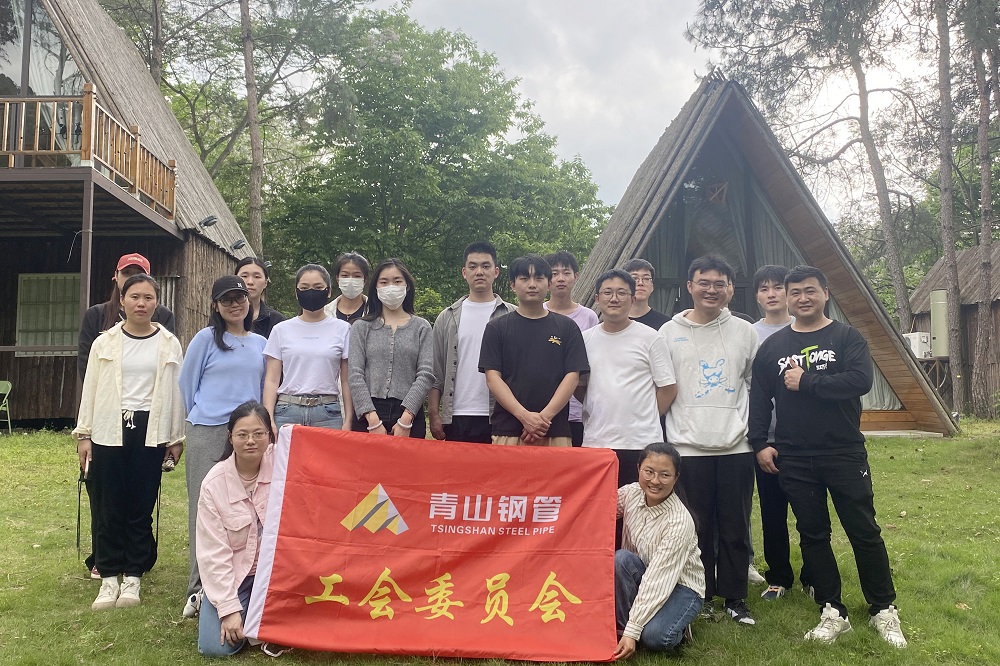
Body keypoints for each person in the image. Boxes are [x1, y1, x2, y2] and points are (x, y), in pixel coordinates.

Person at [749, 265, 906, 648]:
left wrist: (808, 381)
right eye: (795, 292)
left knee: (863, 530)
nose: (802, 298)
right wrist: (759, 442)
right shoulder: (772, 347)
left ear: (825, 293)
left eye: (810, 290)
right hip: (795, 455)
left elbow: (859, 381)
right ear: (788, 298)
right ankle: (833, 610)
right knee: (813, 534)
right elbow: (759, 398)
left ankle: (883, 608)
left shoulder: (846, 337)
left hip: (843, 451)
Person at [73, 274, 185, 611]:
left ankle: (133, 576)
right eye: (134, 296)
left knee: (140, 506)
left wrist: (176, 438)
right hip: (109, 428)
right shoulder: (104, 342)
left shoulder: (169, 343)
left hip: (151, 431)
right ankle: (108, 578)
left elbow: (176, 393)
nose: (141, 303)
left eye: (148, 297)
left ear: (157, 303)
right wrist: (84, 435)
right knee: (108, 506)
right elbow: (91, 388)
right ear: (122, 300)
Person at [659, 254, 758, 625]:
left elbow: (755, 383)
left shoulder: (745, 332)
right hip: (686, 445)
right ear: (690, 286)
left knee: (735, 526)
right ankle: (699, 595)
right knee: (696, 527)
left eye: (720, 284)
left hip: (736, 445)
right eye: (704, 283)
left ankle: (735, 598)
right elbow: (662, 384)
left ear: (730, 289)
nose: (711, 290)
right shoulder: (668, 333)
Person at [178, 276, 268, 619]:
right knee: (204, 507)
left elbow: (264, 387)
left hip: (248, 432)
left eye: (239, 298)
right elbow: (187, 384)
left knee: (247, 506)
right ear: (215, 305)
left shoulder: (261, 343)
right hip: (208, 428)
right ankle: (198, 588)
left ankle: (242, 579)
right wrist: (203, 415)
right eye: (226, 300)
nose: (235, 305)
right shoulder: (205, 339)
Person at [577, 269, 676, 486]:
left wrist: (645, 415)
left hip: (641, 442)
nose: (614, 298)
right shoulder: (585, 340)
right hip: (597, 440)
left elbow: (668, 388)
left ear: (632, 299)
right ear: (597, 298)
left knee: (639, 503)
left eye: (621, 293)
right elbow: (579, 385)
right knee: (601, 504)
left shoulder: (650, 337)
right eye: (607, 293)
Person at [196, 401, 279, 657]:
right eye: (242, 435)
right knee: (216, 646)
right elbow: (213, 554)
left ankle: (260, 624)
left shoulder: (284, 465)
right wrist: (229, 610)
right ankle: (228, 608)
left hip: (278, 576)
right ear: (230, 437)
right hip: (237, 577)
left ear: (270, 436)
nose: (251, 441)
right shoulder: (214, 484)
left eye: (259, 433)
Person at [479, 254, 589, 447]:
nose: (532, 284)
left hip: (555, 430)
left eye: (539, 278)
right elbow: (492, 378)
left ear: (549, 284)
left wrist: (543, 419)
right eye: (524, 278)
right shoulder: (496, 328)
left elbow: (572, 376)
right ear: (513, 285)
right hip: (508, 430)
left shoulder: (567, 328)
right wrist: (524, 417)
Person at [613, 442, 705, 658]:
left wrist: (635, 630)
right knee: (621, 559)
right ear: (638, 469)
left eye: (664, 475)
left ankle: (676, 625)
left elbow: (658, 580)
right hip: (644, 572)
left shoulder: (679, 521)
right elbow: (597, 507)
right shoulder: (631, 493)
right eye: (649, 471)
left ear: (676, 477)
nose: (655, 481)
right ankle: (625, 629)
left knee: (655, 637)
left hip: (681, 586)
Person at [748, 265, 803, 601]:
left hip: (804, 436)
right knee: (771, 511)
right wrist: (757, 439)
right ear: (756, 295)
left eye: (777, 287)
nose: (771, 294)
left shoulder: (807, 329)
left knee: (809, 510)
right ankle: (779, 575)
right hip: (765, 437)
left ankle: (814, 573)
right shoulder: (749, 334)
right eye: (763, 288)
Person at [428, 242, 514, 443]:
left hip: (502, 415)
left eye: (486, 266)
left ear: (496, 271)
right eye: (473, 266)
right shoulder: (447, 317)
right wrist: (433, 413)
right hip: (457, 415)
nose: (479, 272)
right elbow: (436, 372)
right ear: (464, 272)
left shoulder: (512, 314)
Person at [349, 259, 434, 438]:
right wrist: (372, 419)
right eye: (384, 282)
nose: (391, 287)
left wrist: (406, 418)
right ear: (376, 287)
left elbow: (426, 374)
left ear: (407, 286)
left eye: (397, 281)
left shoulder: (422, 327)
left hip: (409, 413)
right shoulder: (361, 327)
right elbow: (355, 374)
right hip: (368, 413)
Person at [262, 264, 352, 431]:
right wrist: (269, 419)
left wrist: (348, 420)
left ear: (329, 291)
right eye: (304, 288)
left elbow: (346, 380)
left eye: (318, 287)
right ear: (296, 292)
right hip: (287, 411)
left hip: (328, 412)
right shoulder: (281, 330)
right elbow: (272, 380)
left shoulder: (343, 329)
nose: (311, 292)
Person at [544, 251, 599, 447]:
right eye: (554, 273)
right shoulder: (536, 313)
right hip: (542, 411)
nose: (560, 278)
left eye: (566, 273)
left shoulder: (589, 317)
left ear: (576, 276)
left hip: (578, 411)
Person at [235, 257, 286, 338]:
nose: (250, 282)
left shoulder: (278, 321)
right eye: (244, 276)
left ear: (265, 283)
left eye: (257, 277)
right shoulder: (224, 317)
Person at [324, 251, 371, 324]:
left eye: (357, 276)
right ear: (337, 279)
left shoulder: (375, 311)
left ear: (365, 280)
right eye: (345, 275)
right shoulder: (325, 312)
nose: (350, 280)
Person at [623, 258, 670, 330]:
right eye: (634, 278)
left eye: (646, 278)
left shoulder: (666, 325)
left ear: (652, 287)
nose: (640, 283)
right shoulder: (613, 323)